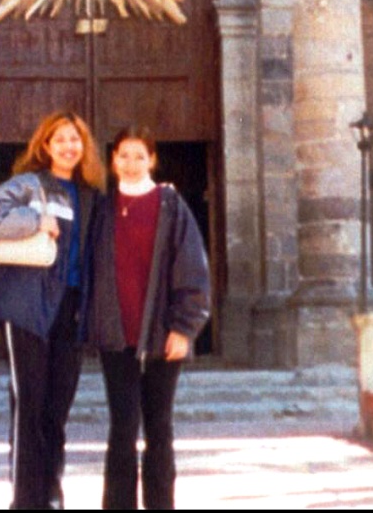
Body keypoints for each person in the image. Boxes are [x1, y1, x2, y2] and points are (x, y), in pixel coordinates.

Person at [0, 111, 105, 510]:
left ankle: (51, 491)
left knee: (57, 407)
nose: (69, 146)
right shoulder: (29, 186)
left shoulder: (92, 195)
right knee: (29, 402)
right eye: (60, 139)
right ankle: (26, 499)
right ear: (45, 146)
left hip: (71, 309)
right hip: (28, 307)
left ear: (85, 147)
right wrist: (34, 219)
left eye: (75, 139)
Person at [88, 125, 211, 510]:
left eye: (139, 155)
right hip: (116, 334)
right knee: (122, 429)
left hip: (162, 335)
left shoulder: (171, 206)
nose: (130, 163)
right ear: (112, 159)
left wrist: (183, 328)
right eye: (123, 155)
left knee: (159, 427)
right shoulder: (102, 209)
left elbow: (192, 269)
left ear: (152, 160)